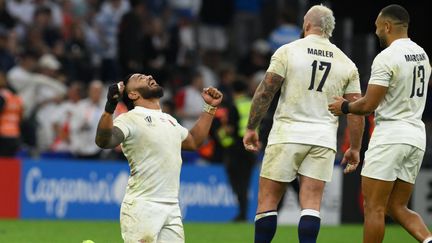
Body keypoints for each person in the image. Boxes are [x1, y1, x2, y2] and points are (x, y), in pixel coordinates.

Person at [242, 5, 365, 243]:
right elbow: (355, 109)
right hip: (322, 138)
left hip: (287, 133)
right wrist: (355, 147)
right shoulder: (347, 63)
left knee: (268, 201)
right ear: (329, 29)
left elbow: (265, 91)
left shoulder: (288, 51)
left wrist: (251, 128)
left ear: (307, 25)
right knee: (311, 203)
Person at [328, 4, 432, 243]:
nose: (375, 32)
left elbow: (367, 106)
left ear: (387, 26)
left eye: (377, 27)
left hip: (391, 136)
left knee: (373, 207)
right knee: (397, 206)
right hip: (416, 135)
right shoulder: (422, 54)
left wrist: (344, 106)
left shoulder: (386, 57)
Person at [95, 73, 222, 243]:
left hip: (172, 207)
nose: (148, 76)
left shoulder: (169, 120)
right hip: (143, 206)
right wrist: (110, 107)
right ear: (133, 94)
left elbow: (193, 142)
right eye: (140, 78)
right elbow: (105, 141)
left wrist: (210, 108)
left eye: (147, 75)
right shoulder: (129, 119)